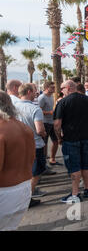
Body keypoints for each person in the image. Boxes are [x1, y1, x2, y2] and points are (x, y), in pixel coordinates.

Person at [53, 80, 88, 203]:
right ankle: (87, 188)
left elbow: (57, 124)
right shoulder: (86, 99)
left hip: (71, 138)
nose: (61, 91)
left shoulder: (62, 102)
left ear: (67, 87)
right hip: (87, 136)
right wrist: (83, 121)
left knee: (74, 166)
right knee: (85, 163)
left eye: (61, 88)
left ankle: (75, 194)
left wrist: (59, 137)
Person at [0, 92, 36, 230]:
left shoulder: (2, 130)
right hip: (24, 189)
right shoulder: (24, 127)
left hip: (5, 193)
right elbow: (32, 159)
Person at [14, 83, 47, 205]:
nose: (36, 94)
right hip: (34, 145)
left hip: (17, 145)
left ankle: (21, 197)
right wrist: (44, 134)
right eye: (34, 91)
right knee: (35, 172)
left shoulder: (12, 107)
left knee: (22, 172)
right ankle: (27, 199)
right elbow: (39, 130)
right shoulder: (35, 109)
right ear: (28, 92)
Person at [38, 81, 60, 166]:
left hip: (52, 122)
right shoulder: (42, 97)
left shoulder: (51, 96)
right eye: (52, 87)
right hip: (45, 123)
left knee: (56, 141)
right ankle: (44, 163)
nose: (54, 89)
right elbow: (38, 111)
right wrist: (49, 112)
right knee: (44, 143)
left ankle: (52, 159)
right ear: (47, 88)